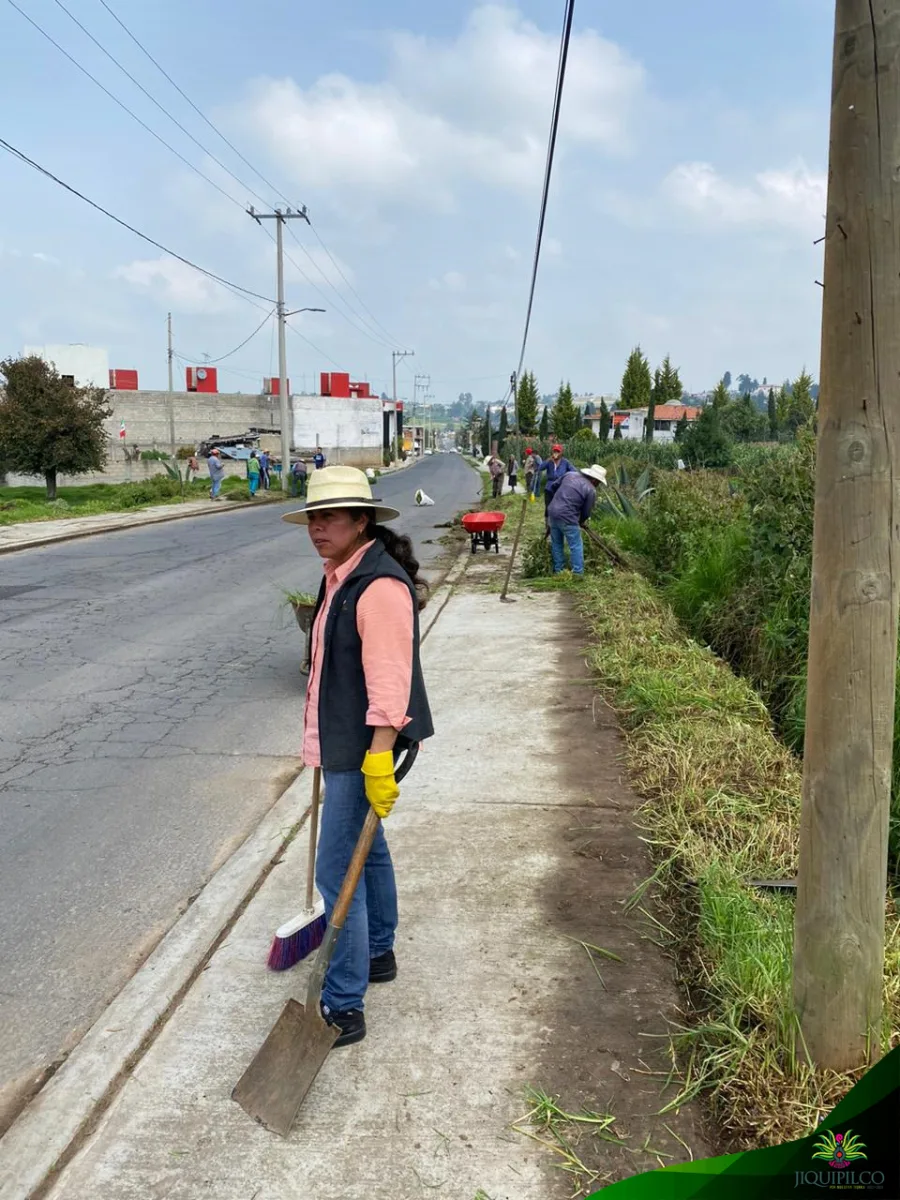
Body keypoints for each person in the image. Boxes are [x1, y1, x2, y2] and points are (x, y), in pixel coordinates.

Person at [282, 466, 434, 1046]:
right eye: (312, 518)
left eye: (329, 518)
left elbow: (390, 687)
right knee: (367, 855)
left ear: (362, 521)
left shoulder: (379, 588)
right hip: (343, 739)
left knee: (336, 867)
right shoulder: (339, 576)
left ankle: (344, 1004)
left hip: (361, 747)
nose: (317, 528)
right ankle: (377, 952)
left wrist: (375, 759)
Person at [546, 464, 607, 576]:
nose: (598, 485)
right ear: (594, 479)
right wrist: (580, 522)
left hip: (553, 513)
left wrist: (558, 501)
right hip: (568, 517)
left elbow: (553, 487)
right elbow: (586, 512)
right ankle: (578, 573)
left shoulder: (570, 475)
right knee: (576, 546)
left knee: (557, 543)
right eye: (598, 482)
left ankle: (558, 571)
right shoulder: (591, 490)